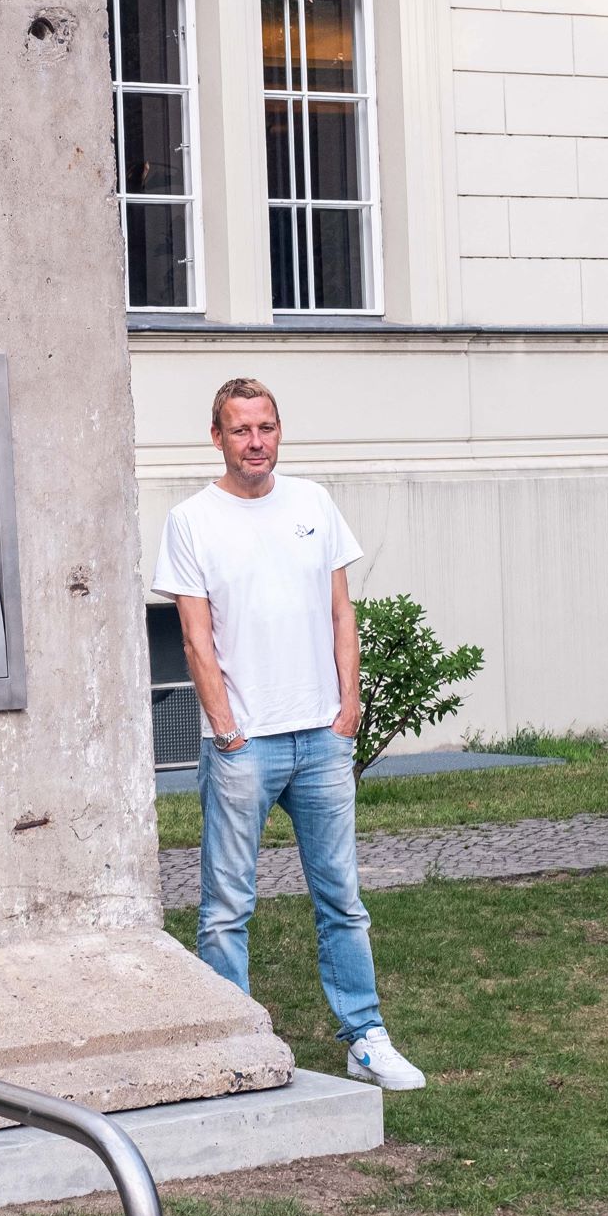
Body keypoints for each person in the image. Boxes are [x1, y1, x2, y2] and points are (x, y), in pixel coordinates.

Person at [151, 376, 426, 1092]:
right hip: (244, 745)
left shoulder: (313, 503)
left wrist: (348, 708)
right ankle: (229, 1045)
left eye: (265, 428)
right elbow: (193, 635)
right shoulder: (190, 520)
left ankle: (364, 1038)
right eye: (240, 430)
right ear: (216, 437)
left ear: (279, 432)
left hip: (321, 740)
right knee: (224, 909)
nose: (255, 443)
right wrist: (226, 728)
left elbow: (340, 611)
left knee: (341, 899)